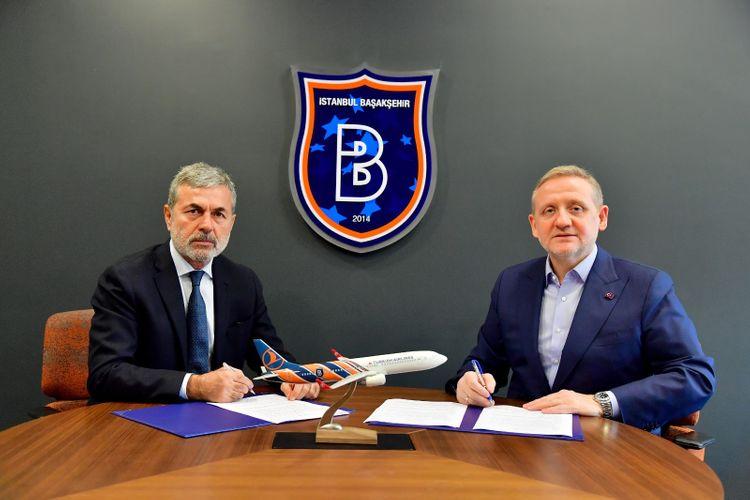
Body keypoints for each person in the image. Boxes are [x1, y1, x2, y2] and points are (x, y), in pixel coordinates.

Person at [445, 165, 715, 431]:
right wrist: (469, 380)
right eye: (549, 211)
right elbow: (483, 362)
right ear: (534, 225)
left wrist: (600, 403)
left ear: (601, 217)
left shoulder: (646, 287)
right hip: (523, 441)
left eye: (576, 208)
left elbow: (695, 377)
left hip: (612, 444)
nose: (562, 221)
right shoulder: (511, 283)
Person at [88, 162, 319, 403]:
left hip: (221, 418)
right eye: (194, 211)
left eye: (219, 214)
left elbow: (269, 356)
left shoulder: (243, 282)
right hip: (144, 415)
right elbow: (106, 374)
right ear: (168, 216)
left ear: (231, 223)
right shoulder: (126, 279)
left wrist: (294, 378)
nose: (207, 225)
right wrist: (195, 386)